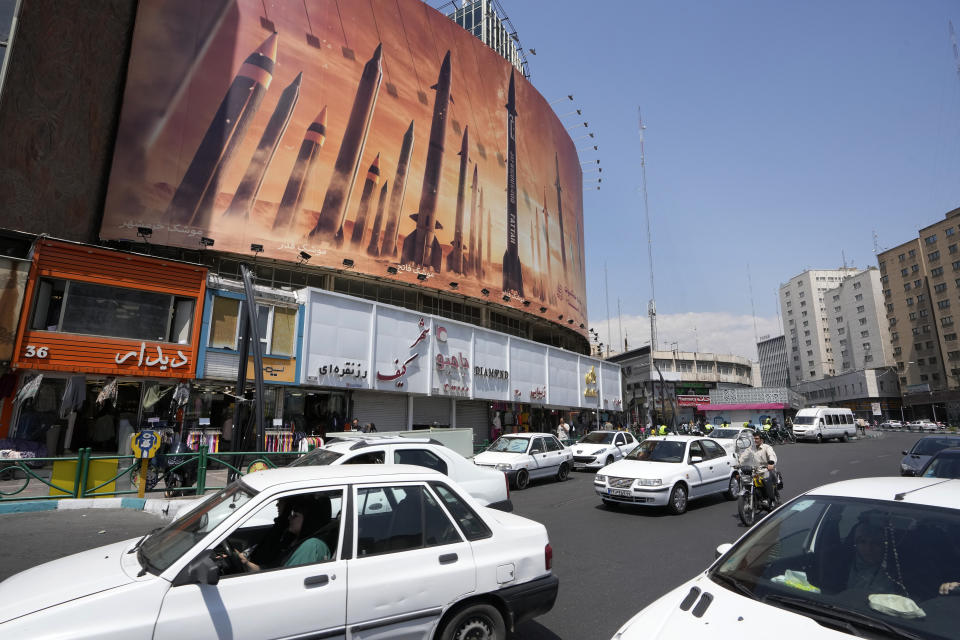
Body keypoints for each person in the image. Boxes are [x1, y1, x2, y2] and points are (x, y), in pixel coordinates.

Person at [237, 496, 333, 571]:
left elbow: (287, 580)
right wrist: (246, 563)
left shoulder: (311, 546)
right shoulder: (293, 539)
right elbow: (272, 569)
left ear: (309, 520)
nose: (289, 518)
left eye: (295, 516)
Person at [845, 523, 901, 594]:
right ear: (855, 544)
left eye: (876, 543)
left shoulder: (896, 576)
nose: (868, 549)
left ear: (885, 546)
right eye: (862, 542)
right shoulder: (841, 566)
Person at [738, 432, 778, 507]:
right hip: (755, 471)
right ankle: (755, 497)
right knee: (746, 480)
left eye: (756, 438)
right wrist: (738, 463)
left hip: (766, 470)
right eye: (753, 438)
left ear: (761, 440)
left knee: (765, 479)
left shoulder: (767, 447)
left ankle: (770, 498)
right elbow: (743, 456)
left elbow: (771, 455)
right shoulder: (750, 448)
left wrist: (771, 463)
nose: (754, 440)